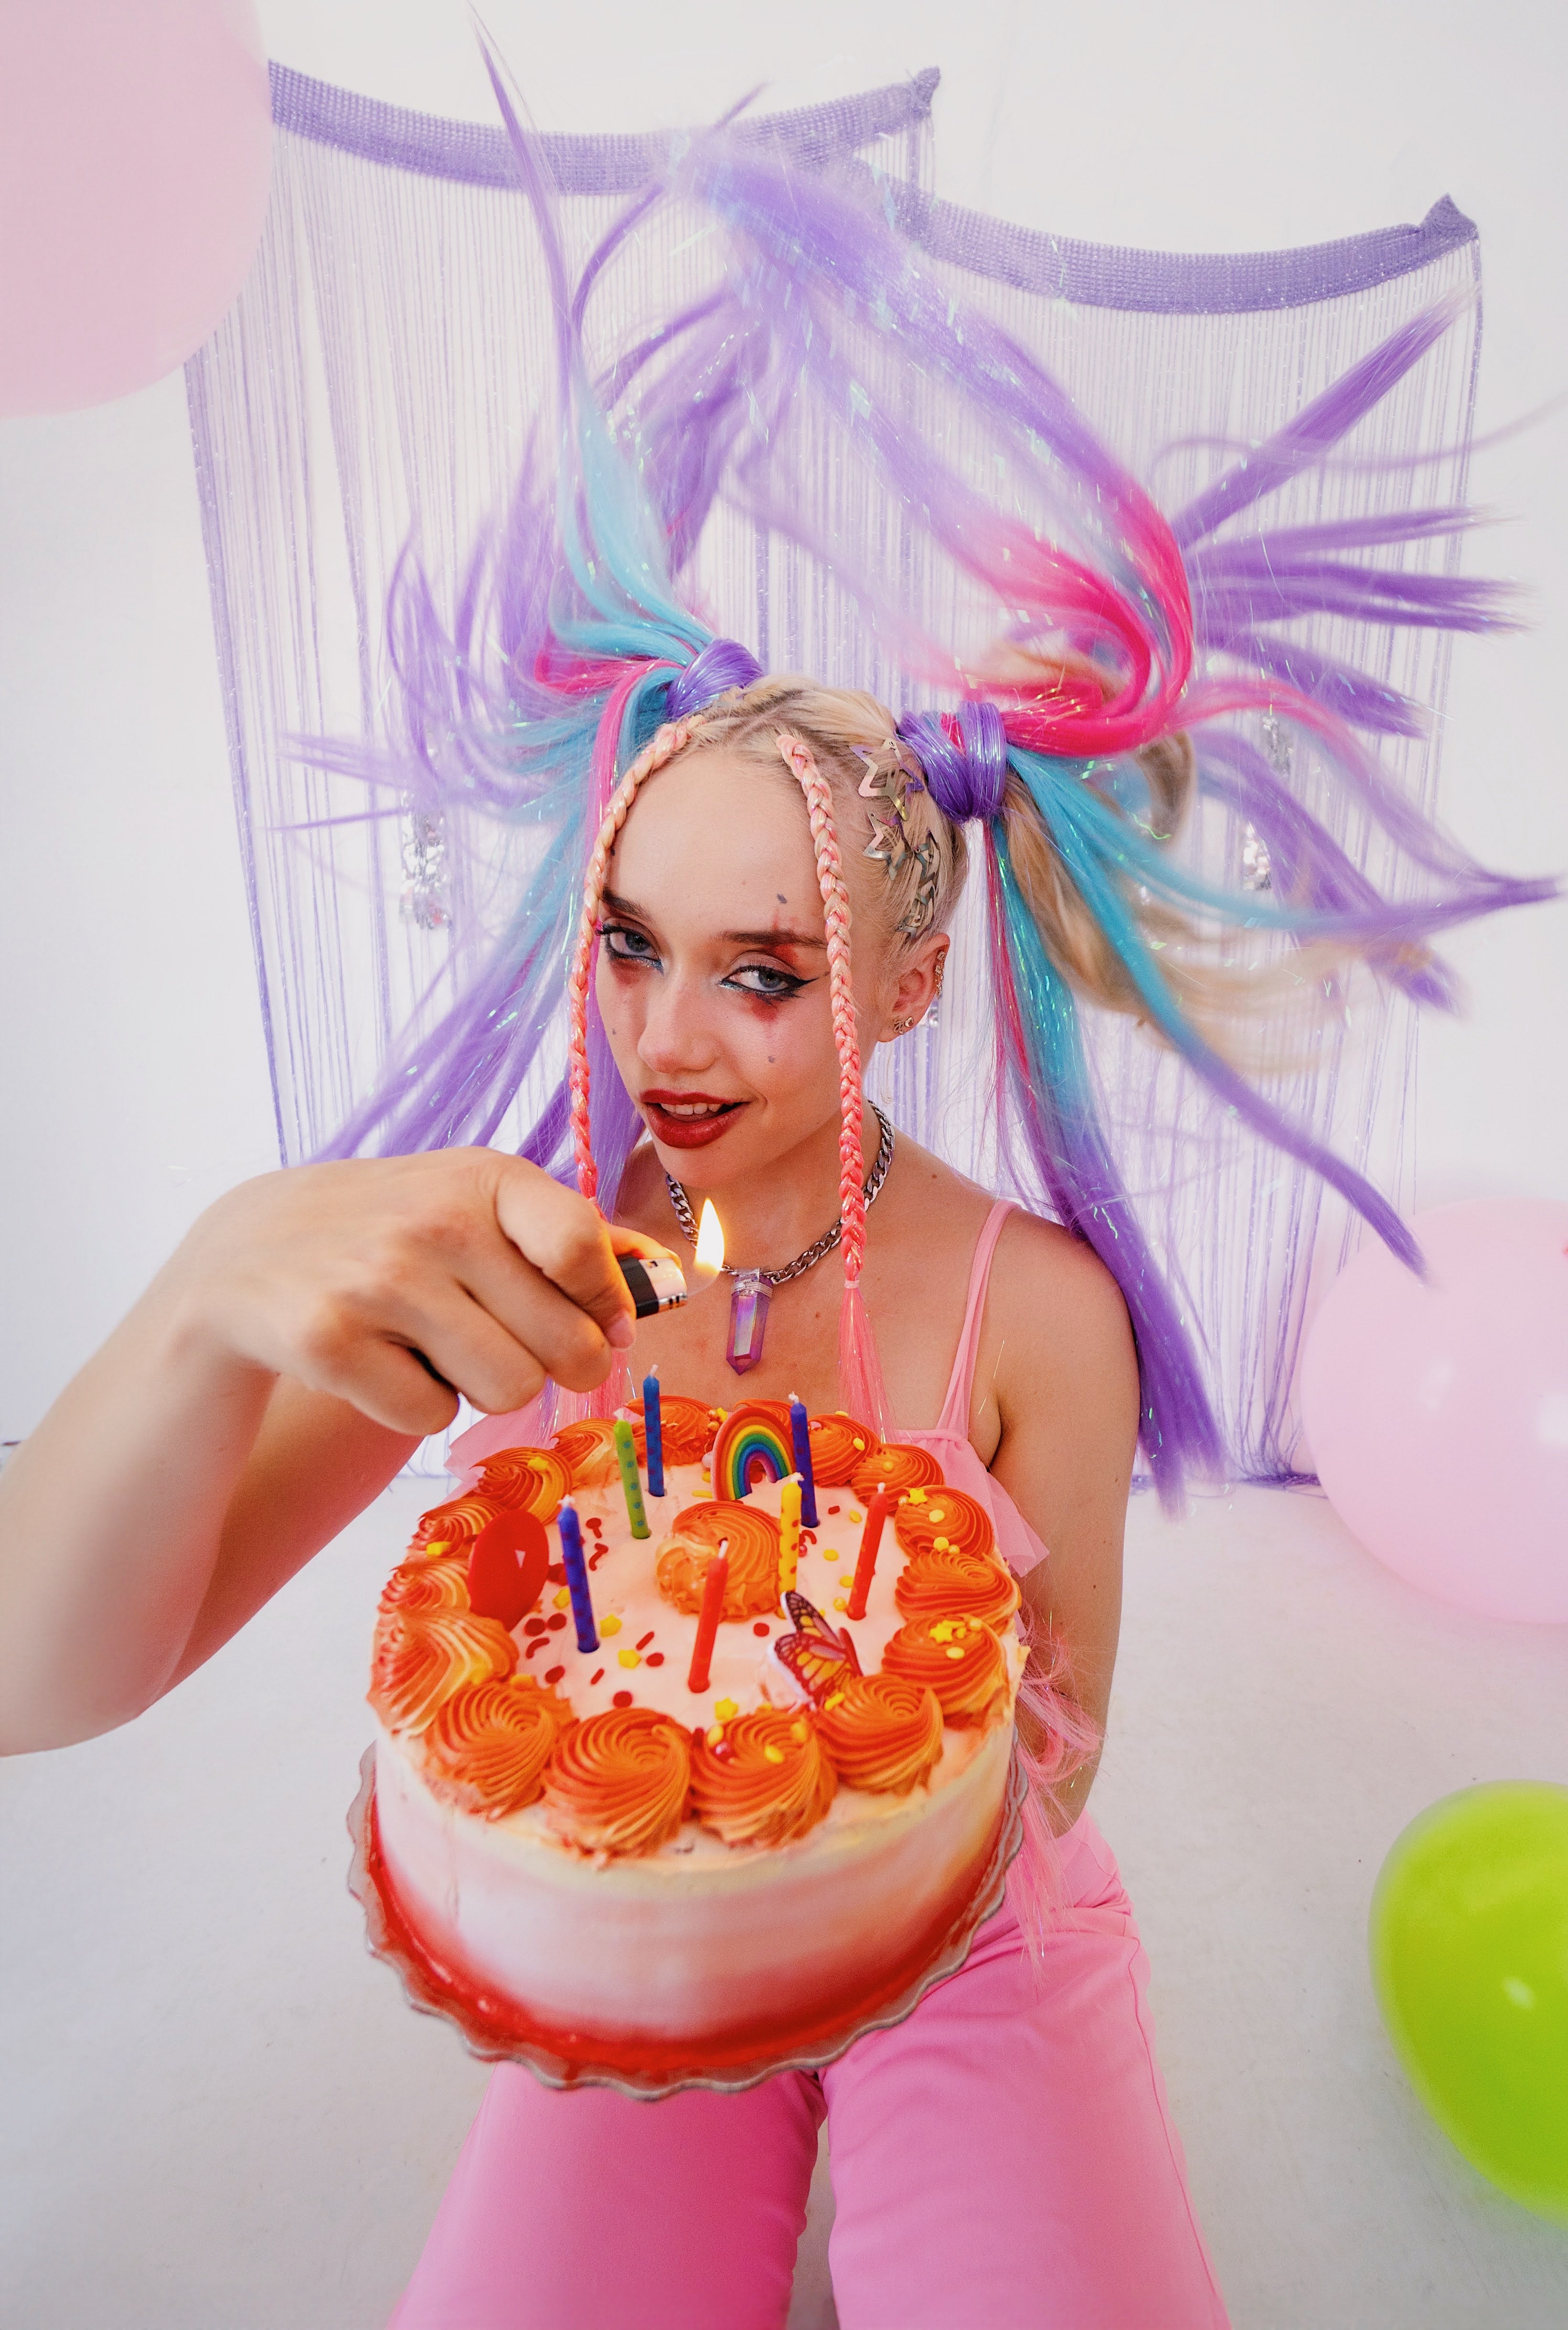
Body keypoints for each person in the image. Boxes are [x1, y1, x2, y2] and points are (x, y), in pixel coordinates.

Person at [0, 115, 1547, 2330]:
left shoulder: (1037, 1311)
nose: (670, 1036)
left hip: (964, 1919)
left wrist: (855, 1808)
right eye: (629, 943)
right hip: (628, 1905)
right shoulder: (516, 1269)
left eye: (762, 965)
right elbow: (38, 1680)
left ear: (906, 979)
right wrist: (201, 1300)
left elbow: (1067, 1719)